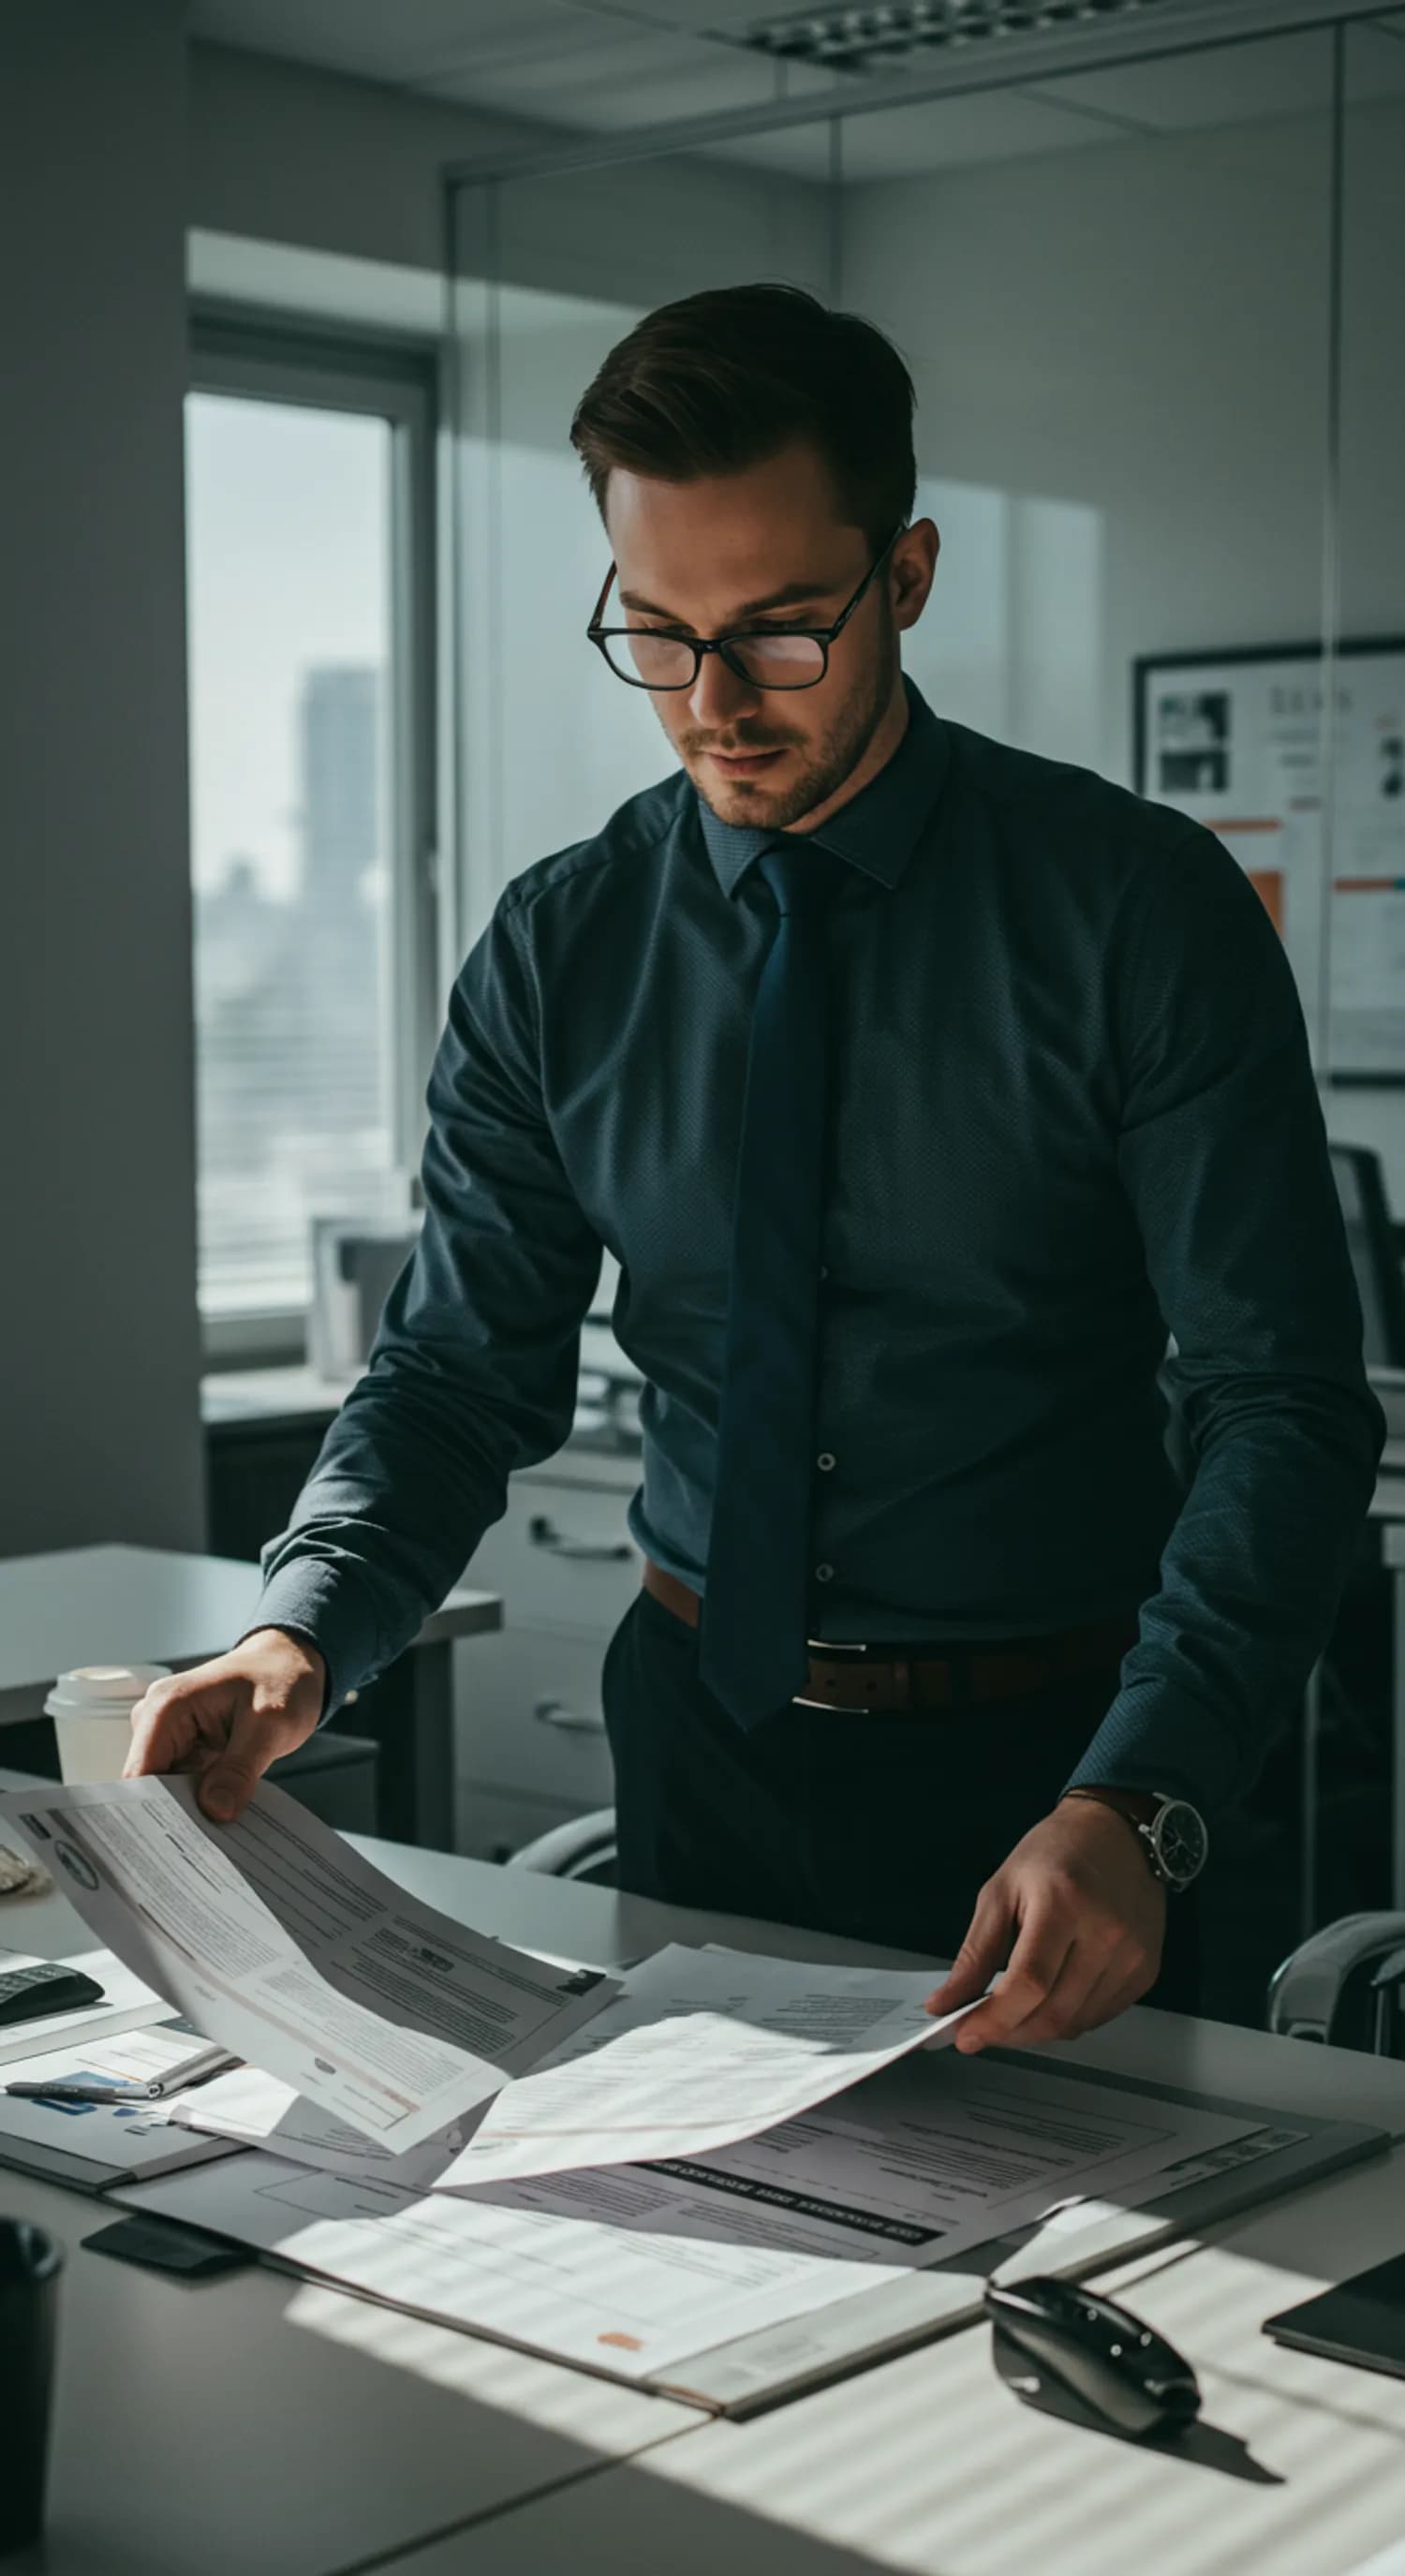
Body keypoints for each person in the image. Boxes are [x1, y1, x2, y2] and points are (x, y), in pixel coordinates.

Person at [127, 284, 1385, 2055]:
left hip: (1061, 1789)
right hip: (701, 1743)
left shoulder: (1137, 914)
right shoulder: (562, 947)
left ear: (911, 577)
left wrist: (1148, 1795)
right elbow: (456, 1367)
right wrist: (300, 1631)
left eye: (783, 632)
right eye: (658, 633)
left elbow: (1285, 1404)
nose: (715, 705)